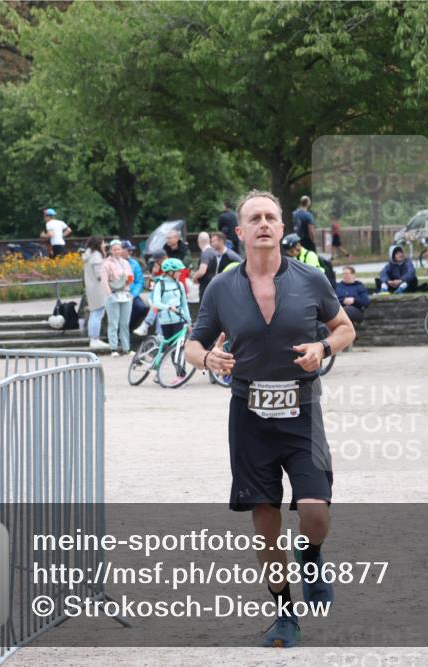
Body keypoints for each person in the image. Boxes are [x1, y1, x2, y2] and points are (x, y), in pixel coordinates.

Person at [184, 189, 355, 649]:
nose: (263, 223)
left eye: (270, 217)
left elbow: (345, 328)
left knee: (315, 511)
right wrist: (208, 359)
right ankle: (284, 614)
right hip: (249, 417)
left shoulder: (310, 279)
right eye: (254, 218)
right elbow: (193, 344)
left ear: (282, 228)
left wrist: (323, 347)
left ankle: (310, 554)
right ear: (240, 232)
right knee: (265, 518)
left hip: (302, 411)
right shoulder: (222, 288)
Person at [191, 231, 243, 305]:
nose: (211, 244)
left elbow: (243, 267)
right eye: (211, 241)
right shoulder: (215, 255)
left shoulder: (231, 256)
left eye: (213, 241)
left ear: (221, 241)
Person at [152, 258, 191, 348]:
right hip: (165, 320)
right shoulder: (159, 285)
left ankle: (176, 357)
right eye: (178, 271)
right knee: (168, 345)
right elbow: (156, 303)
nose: (180, 273)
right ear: (170, 272)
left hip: (179, 319)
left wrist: (188, 321)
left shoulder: (179, 284)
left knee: (179, 345)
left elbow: (184, 304)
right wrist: (168, 307)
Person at [103, 239, 133, 356]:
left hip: (125, 293)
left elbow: (131, 276)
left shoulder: (126, 263)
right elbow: (104, 281)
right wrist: (109, 294)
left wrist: (128, 282)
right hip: (113, 293)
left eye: (119, 249)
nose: (117, 251)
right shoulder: (106, 264)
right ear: (111, 250)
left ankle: (126, 347)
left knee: (125, 323)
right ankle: (113, 348)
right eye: (114, 249)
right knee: (113, 322)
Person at [82, 237, 109, 351]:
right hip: (98, 289)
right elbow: (100, 275)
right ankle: (94, 339)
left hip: (91, 288)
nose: (104, 245)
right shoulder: (97, 256)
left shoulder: (88, 255)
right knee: (97, 314)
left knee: (94, 313)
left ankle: (94, 338)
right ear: (98, 244)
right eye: (103, 243)